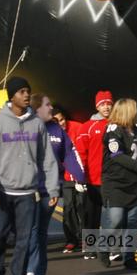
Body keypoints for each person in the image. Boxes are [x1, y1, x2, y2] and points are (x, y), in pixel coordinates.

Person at [0, 77, 59, 275]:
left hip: (27, 193)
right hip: (2, 192)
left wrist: (53, 188)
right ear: (12, 96)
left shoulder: (36, 125)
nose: (26, 95)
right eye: (21, 92)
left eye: (28, 91)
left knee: (24, 239)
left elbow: (48, 160)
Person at [98, 98, 137, 271]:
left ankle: (129, 257)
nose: (136, 112)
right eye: (134, 108)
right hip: (116, 182)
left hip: (136, 183)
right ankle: (103, 247)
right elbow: (116, 154)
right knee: (116, 220)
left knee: (132, 223)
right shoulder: (113, 130)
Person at [26, 92, 62, 275]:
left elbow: (62, 156)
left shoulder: (56, 129)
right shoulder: (27, 127)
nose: (51, 108)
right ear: (37, 108)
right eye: (47, 105)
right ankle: (29, 268)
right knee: (30, 229)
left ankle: (39, 271)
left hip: (47, 189)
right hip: (29, 188)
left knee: (41, 231)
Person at [73, 90, 113, 260]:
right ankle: (90, 246)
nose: (106, 107)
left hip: (112, 179)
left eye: (109, 103)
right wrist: (79, 177)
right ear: (97, 106)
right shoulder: (87, 127)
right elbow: (80, 153)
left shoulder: (118, 124)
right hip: (93, 179)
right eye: (103, 104)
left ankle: (112, 246)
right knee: (91, 214)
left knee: (113, 216)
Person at [55, 105, 87, 254]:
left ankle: (85, 239)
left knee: (83, 207)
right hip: (66, 175)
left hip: (81, 174)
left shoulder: (78, 128)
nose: (61, 123)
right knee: (68, 208)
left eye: (62, 119)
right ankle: (71, 240)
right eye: (57, 121)